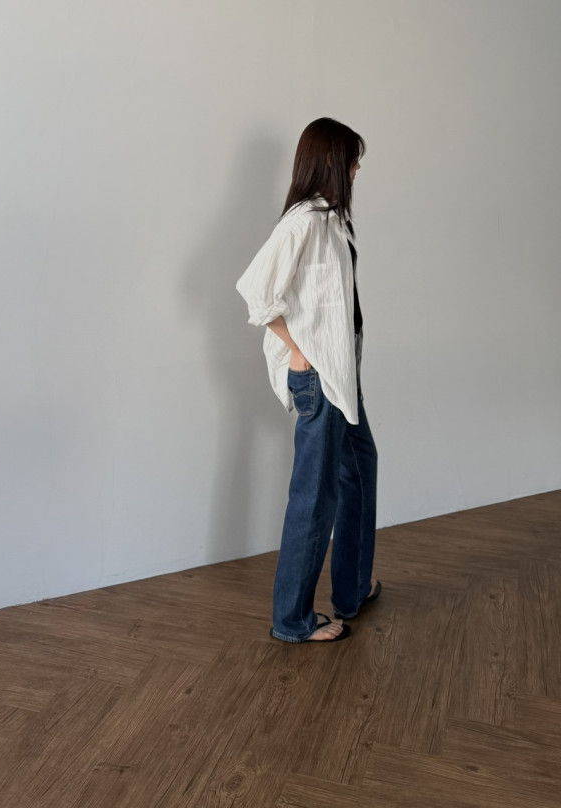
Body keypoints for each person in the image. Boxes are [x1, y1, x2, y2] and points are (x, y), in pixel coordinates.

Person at [236, 117, 380, 643]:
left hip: (342, 375)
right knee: (315, 496)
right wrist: (299, 352)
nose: (358, 168)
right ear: (332, 161)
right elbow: (256, 292)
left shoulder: (332, 221)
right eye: (352, 158)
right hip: (319, 378)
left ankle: (352, 589)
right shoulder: (304, 221)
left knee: (359, 469)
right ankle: (291, 619)